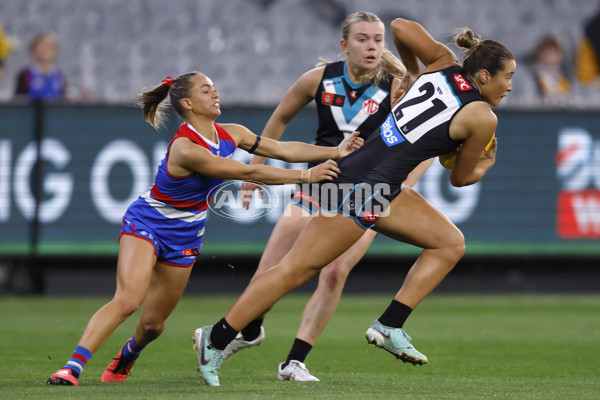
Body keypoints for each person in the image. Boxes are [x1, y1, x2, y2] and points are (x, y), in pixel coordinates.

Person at [194, 16, 515, 387]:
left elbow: (400, 26)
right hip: (365, 189)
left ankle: (390, 324)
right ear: (486, 76)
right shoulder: (482, 116)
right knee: (294, 270)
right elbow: (460, 177)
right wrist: (486, 164)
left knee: (449, 242)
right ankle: (214, 339)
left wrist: (411, 73)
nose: (510, 86)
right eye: (508, 76)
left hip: (372, 181)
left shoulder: (442, 62)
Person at [46, 71, 363, 386]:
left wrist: (335, 151)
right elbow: (242, 170)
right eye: (206, 90)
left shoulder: (231, 133)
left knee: (154, 325)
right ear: (187, 102)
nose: (216, 93)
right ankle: (71, 368)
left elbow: (282, 150)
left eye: (215, 88)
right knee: (128, 300)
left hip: (186, 235)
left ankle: (128, 354)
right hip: (148, 223)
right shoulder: (186, 148)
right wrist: (307, 176)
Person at [227, 11, 432, 382]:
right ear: (344, 45)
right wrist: (254, 170)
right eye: (362, 39)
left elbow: (427, 144)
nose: (371, 47)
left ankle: (294, 361)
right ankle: (247, 329)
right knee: (270, 270)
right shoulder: (318, 79)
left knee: (335, 272)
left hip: (369, 190)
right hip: (319, 183)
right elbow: (277, 121)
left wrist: (405, 183)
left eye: (378, 39)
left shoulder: (397, 86)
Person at [14, 32, 67, 101]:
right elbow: (18, 101)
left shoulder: (60, 74)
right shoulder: (25, 74)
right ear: (33, 51)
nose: (44, 50)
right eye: (40, 46)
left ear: (54, 51)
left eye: (48, 47)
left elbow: (65, 99)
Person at [530, 35, 570, 104]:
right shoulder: (534, 76)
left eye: (552, 54)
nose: (548, 57)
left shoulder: (563, 75)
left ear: (560, 56)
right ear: (539, 55)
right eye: (545, 54)